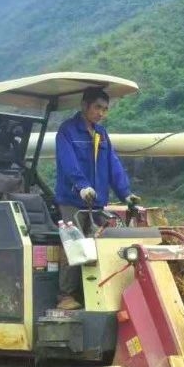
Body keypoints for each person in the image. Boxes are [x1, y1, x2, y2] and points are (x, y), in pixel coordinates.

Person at [54, 86, 140, 309]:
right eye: (97, 108)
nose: (101, 113)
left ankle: (96, 293)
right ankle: (65, 296)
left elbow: (113, 165)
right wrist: (82, 186)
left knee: (99, 245)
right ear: (85, 106)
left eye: (104, 109)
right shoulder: (67, 131)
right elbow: (68, 162)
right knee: (75, 244)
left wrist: (126, 193)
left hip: (96, 201)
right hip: (73, 200)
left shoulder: (101, 134)